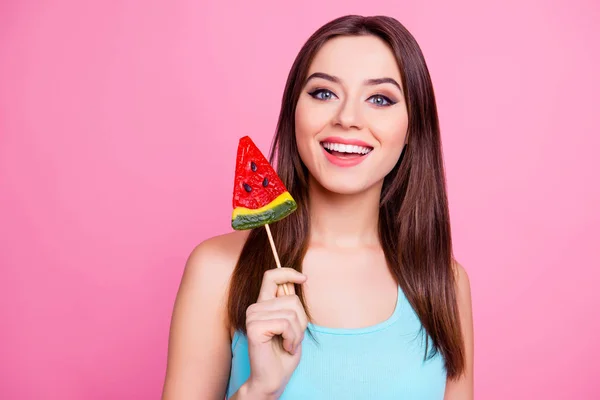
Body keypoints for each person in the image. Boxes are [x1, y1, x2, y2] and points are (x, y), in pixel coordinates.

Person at [162, 14, 474, 400]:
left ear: (413, 128)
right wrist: (258, 390)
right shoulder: (217, 270)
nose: (347, 118)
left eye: (380, 99)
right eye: (324, 93)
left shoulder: (445, 282)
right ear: (294, 111)